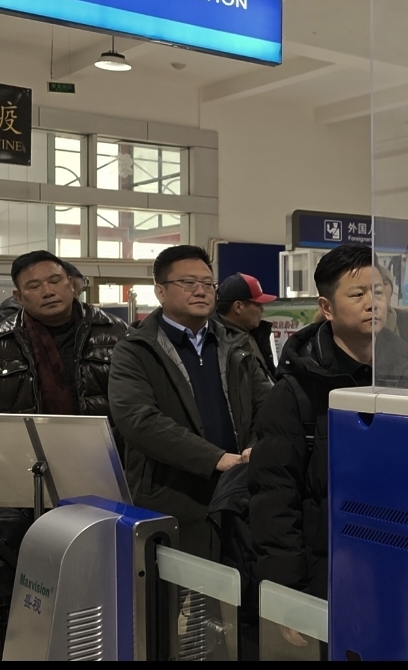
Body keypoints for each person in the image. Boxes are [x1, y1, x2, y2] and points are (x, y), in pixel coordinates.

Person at [249, 245, 408, 604]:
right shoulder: (296, 391)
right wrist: (287, 593)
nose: (372, 303)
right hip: (329, 569)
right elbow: (274, 498)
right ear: (327, 307)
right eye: (358, 294)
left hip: (402, 563)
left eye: (378, 292)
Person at [0, 251, 129, 653]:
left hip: (101, 474)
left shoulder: (119, 334)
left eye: (54, 280)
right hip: (18, 483)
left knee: (97, 579)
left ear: (71, 283)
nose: (48, 291)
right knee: (17, 584)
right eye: (34, 286)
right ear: (19, 297)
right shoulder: (2, 340)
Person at [109, 245, 273, 560]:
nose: (201, 291)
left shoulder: (235, 343)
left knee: (239, 582)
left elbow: (267, 405)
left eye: (208, 283)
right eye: (188, 283)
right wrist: (215, 458)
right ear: (160, 291)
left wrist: (256, 448)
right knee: (179, 587)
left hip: (239, 493)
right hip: (172, 499)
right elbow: (138, 420)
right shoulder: (135, 349)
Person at [215, 273, 279, 379]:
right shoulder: (217, 343)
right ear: (238, 307)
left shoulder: (255, 333)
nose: (262, 310)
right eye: (258, 305)